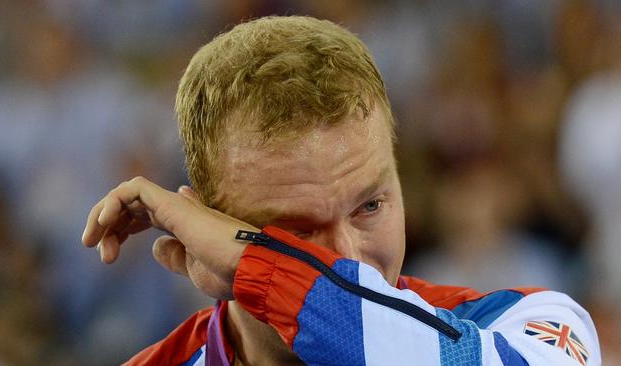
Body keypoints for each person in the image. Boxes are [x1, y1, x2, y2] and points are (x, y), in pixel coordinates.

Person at [81, 16, 600, 365]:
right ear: (203, 234)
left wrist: (263, 264)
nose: (349, 259)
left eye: (370, 206)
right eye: (295, 229)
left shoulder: (527, 326)